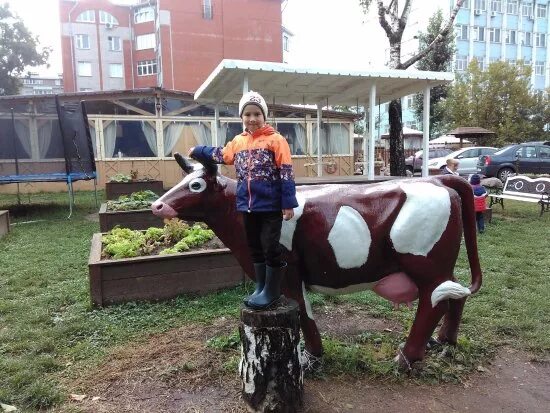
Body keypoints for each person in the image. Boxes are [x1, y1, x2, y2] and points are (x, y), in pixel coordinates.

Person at [188, 91, 298, 310]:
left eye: (257, 113)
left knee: (270, 246)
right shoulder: (238, 142)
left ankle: (273, 291)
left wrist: (288, 202)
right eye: (247, 114)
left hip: (269, 206)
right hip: (246, 205)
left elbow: (286, 172)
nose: (252, 118)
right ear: (242, 117)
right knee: (254, 247)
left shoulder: (276, 140)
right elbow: (221, 155)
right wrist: (198, 150)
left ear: (264, 116)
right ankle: (261, 286)